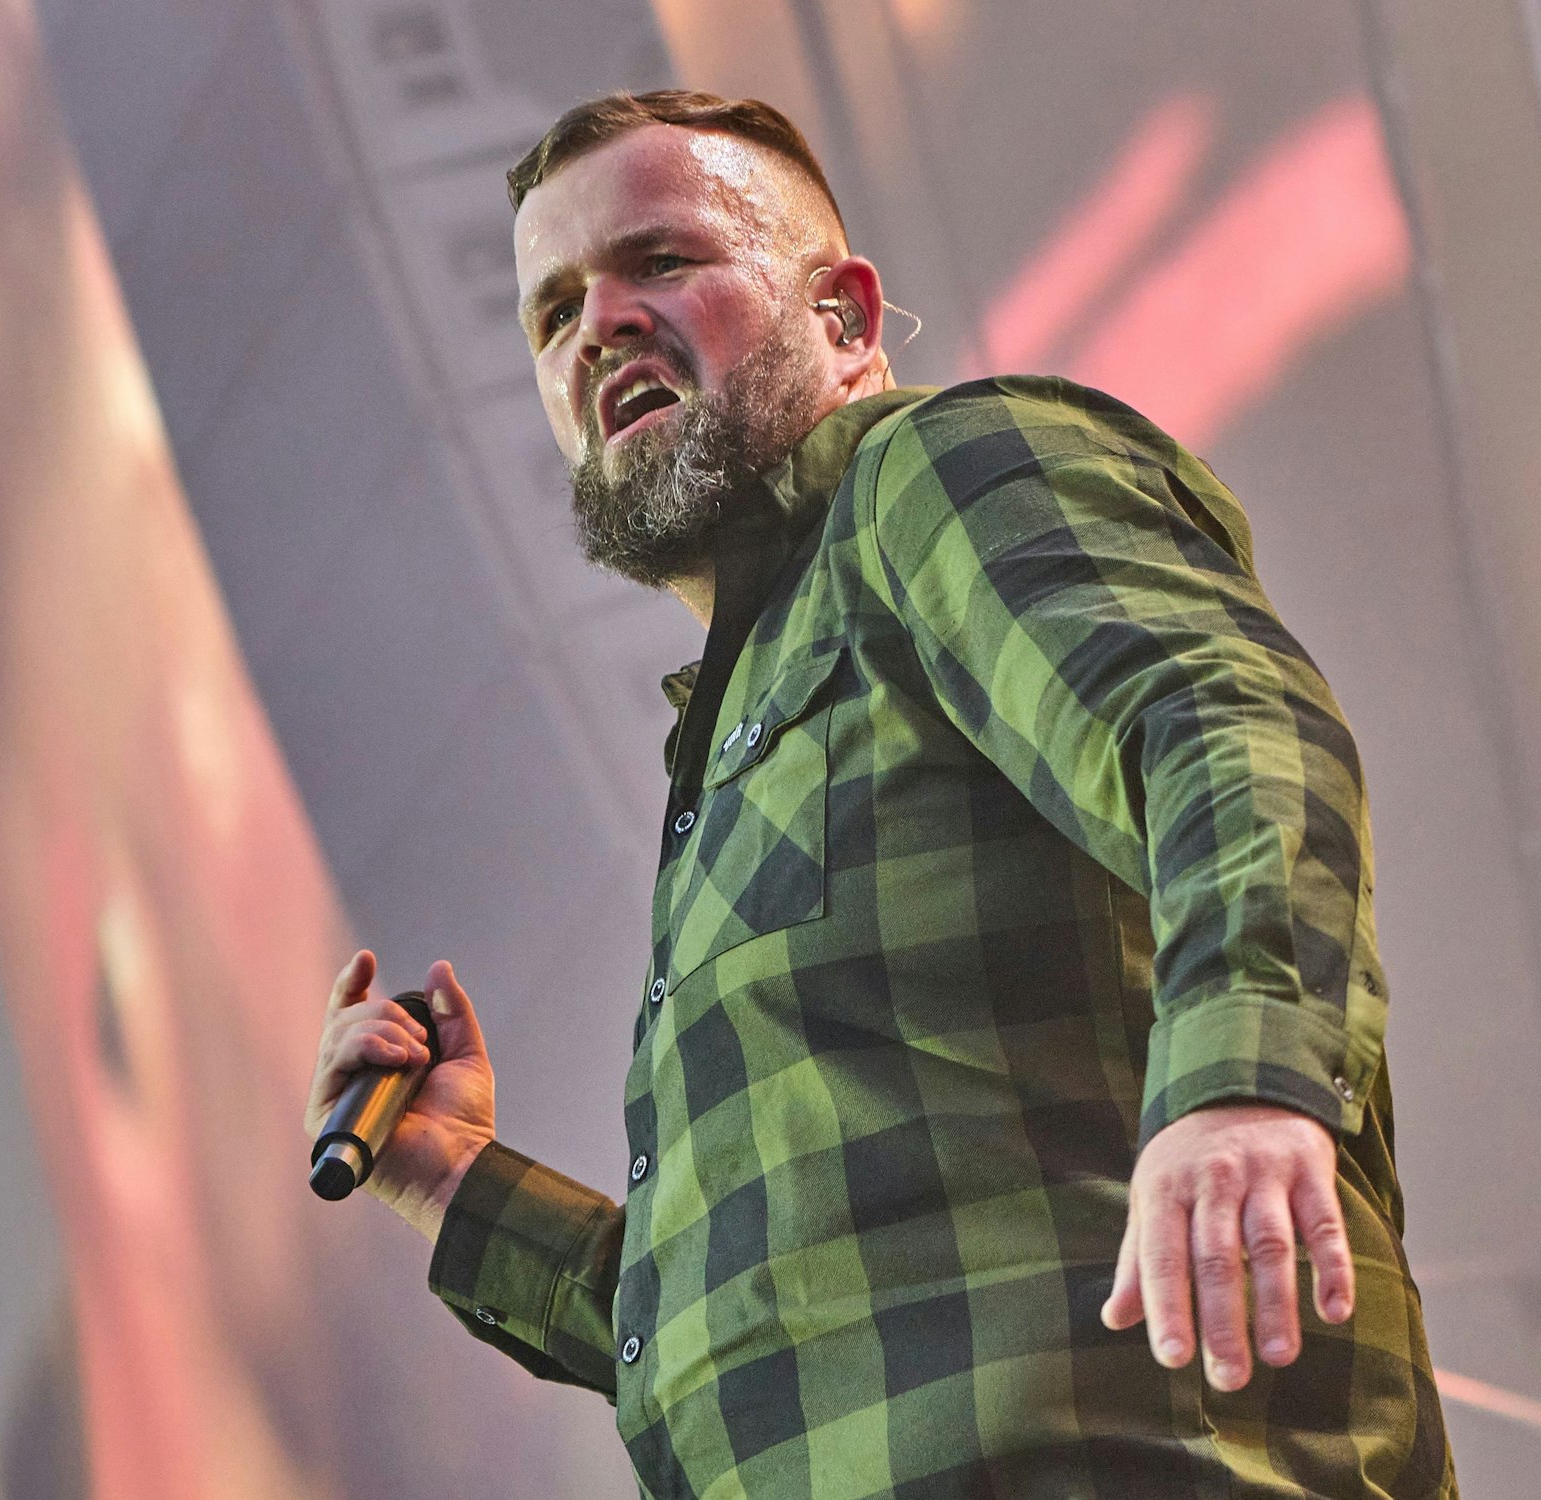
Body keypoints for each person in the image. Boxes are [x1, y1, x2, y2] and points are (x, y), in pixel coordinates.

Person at [305, 90, 1455, 1498]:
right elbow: (791, 1332)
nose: (598, 322)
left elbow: (1215, 715)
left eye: (659, 261)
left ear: (845, 318)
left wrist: (1243, 1082)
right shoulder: (733, 748)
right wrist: (453, 1184)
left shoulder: (934, 474)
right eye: (553, 311)